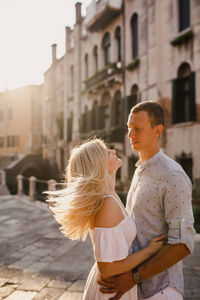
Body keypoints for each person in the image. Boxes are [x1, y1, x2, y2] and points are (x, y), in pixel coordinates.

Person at [98, 101, 196, 300]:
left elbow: (183, 243)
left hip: (161, 289)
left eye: (137, 129)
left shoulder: (173, 176)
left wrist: (134, 277)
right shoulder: (140, 169)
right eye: (129, 128)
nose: (130, 135)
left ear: (157, 130)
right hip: (135, 288)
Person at [46, 138, 165, 300]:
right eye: (108, 152)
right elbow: (107, 268)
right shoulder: (107, 204)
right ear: (98, 164)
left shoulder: (110, 196)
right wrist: (149, 251)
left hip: (116, 285)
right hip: (111, 288)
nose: (114, 151)